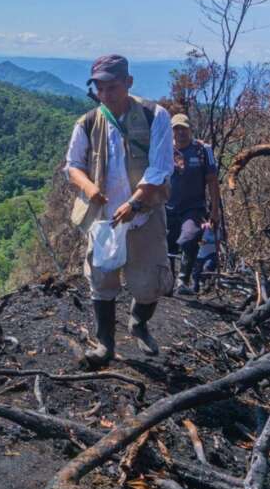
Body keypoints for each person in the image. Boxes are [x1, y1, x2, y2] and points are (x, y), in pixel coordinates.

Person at [65, 54, 174, 367]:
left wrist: (135, 202)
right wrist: (89, 188)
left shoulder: (155, 116)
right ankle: (106, 346)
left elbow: (161, 167)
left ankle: (138, 322)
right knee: (102, 281)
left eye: (111, 87)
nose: (105, 94)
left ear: (128, 83)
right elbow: (72, 165)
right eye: (99, 87)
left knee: (149, 283)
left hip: (144, 214)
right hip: (104, 219)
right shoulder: (87, 122)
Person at [166, 114, 220, 295]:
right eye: (176, 128)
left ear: (190, 129)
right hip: (167, 207)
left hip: (194, 207)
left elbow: (212, 181)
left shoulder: (202, 150)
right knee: (168, 245)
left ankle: (182, 280)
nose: (180, 132)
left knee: (189, 238)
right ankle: (168, 281)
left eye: (184, 128)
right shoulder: (164, 149)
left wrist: (214, 211)